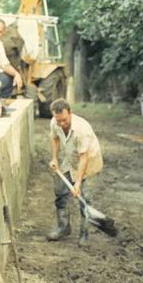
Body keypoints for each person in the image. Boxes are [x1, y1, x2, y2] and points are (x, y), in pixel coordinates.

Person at [47, 99, 103, 246]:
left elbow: (83, 158)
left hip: (89, 162)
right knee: (60, 192)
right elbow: (54, 139)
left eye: (64, 120)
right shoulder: (55, 122)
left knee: (85, 198)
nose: (61, 124)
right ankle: (63, 227)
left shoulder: (81, 129)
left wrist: (77, 183)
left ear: (70, 113)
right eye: (58, 121)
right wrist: (54, 159)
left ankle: (84, 234)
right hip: (69, 159)